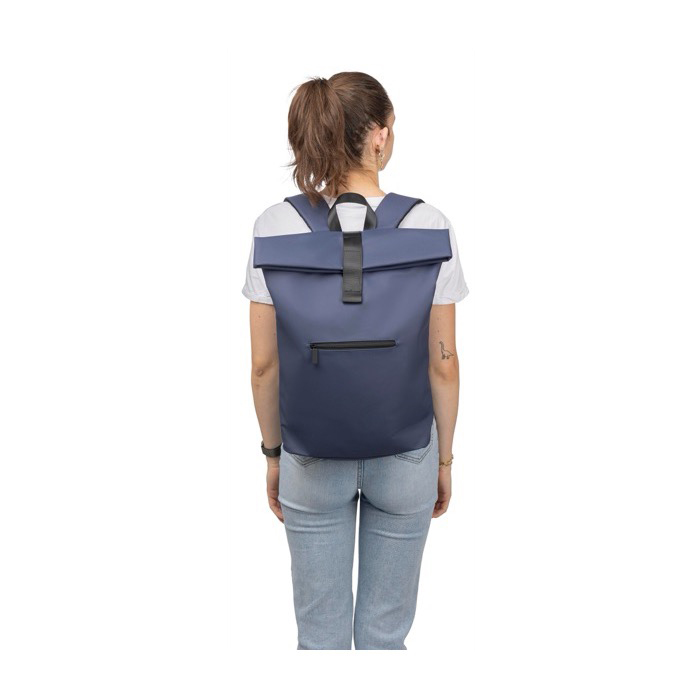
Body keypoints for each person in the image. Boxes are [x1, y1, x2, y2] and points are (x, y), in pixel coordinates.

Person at [241, 72, 469, 650]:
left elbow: (264, 366)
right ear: (379, 135)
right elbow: (443, 363)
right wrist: (443, 460)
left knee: (319, 640)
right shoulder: (429, 224)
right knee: (384, 640)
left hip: (310, 453)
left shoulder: (276, 226)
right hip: (406, 453)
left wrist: (273, 455)